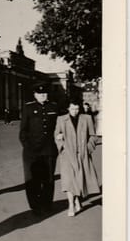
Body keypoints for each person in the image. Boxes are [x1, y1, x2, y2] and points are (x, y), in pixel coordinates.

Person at [54, 99, 100, 217]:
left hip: (82, 154)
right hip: (67, 155)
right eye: (73, 109)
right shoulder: (61, 119)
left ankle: (77, 200)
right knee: (69, 181)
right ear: (68, 109)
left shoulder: (87, 118)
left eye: (77, 109)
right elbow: (56, 135)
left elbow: (93, 136)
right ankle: (71, 205)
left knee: (79, 180)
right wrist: (61, 143)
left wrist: (88, 149)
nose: (75, 111)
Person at [19, 83, 58, 215]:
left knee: (48, 179)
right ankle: (35, 206)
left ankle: (47, 205)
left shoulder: (54, 107)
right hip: (32, 151)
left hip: (49, 150)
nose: (43, 95)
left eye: (45, 93)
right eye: (40, 93)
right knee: (32, 180)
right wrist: (29, 147)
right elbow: (23, 132)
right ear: (35, 95)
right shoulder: (28, 108)